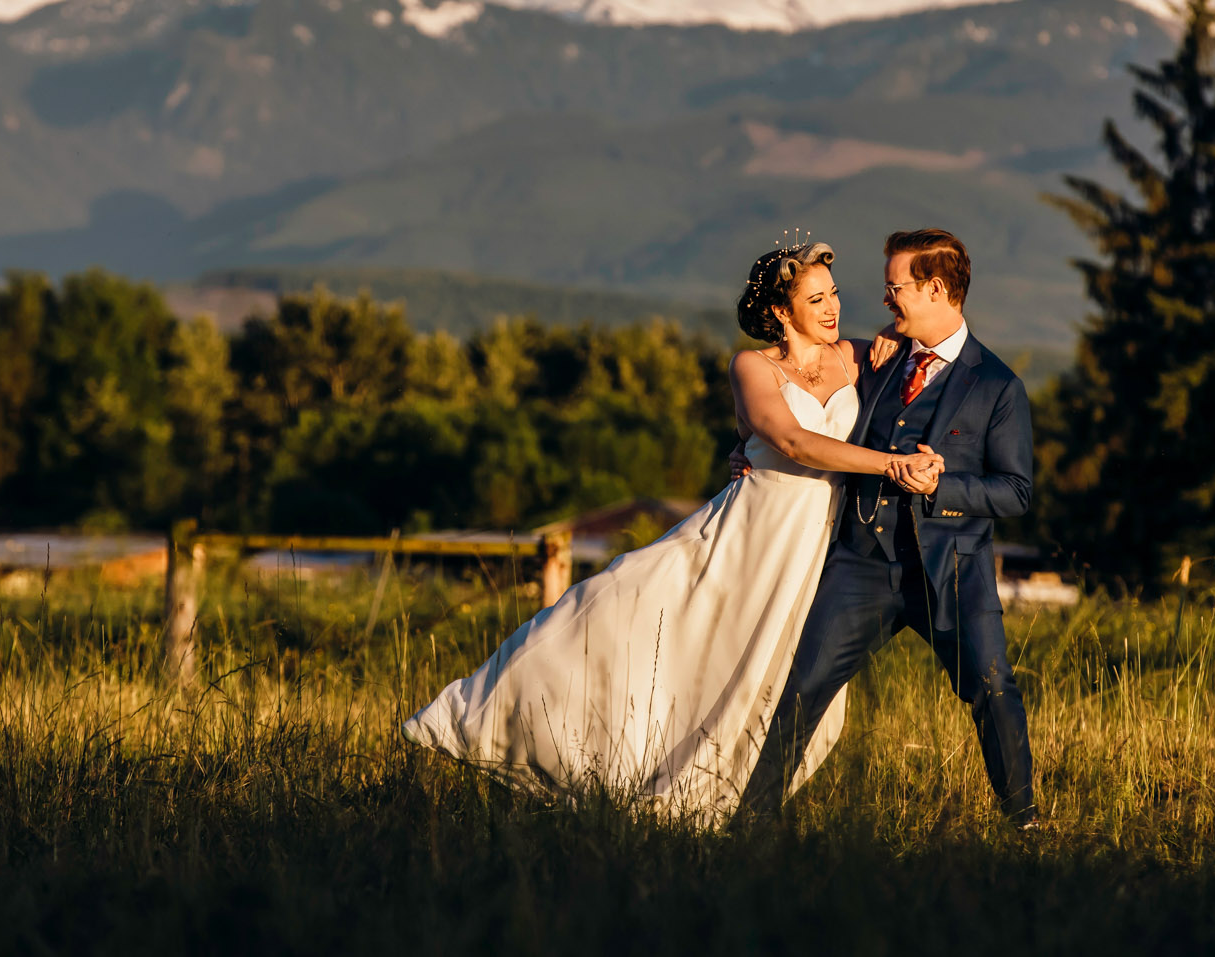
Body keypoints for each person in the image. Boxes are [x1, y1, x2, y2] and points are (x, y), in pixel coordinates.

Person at [402, 238, 925, 818]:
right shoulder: (752, 366)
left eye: (833, 295)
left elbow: (930, 339)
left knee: (781, 675)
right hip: (748, 535)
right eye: (816, 298)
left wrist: (897, 336)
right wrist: (890, 465)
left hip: (813, 546)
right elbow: (793, 440)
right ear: (781, 310)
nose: (833, 308)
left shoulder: (853, 356)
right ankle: (482, 718)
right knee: (644, 625)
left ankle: (724, 800)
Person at [733, 228, 1038, 826]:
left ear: (935, 288)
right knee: (800, 692)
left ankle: (1024, 822)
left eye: (895, 287)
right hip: (863, 562)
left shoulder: (999, 386)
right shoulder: (875, 358)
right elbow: (792, 396)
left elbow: (1016, 492)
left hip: (951, 568)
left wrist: (941, 488)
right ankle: (748, 823)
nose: (886, 300)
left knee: (994, 689)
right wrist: (744, 448)